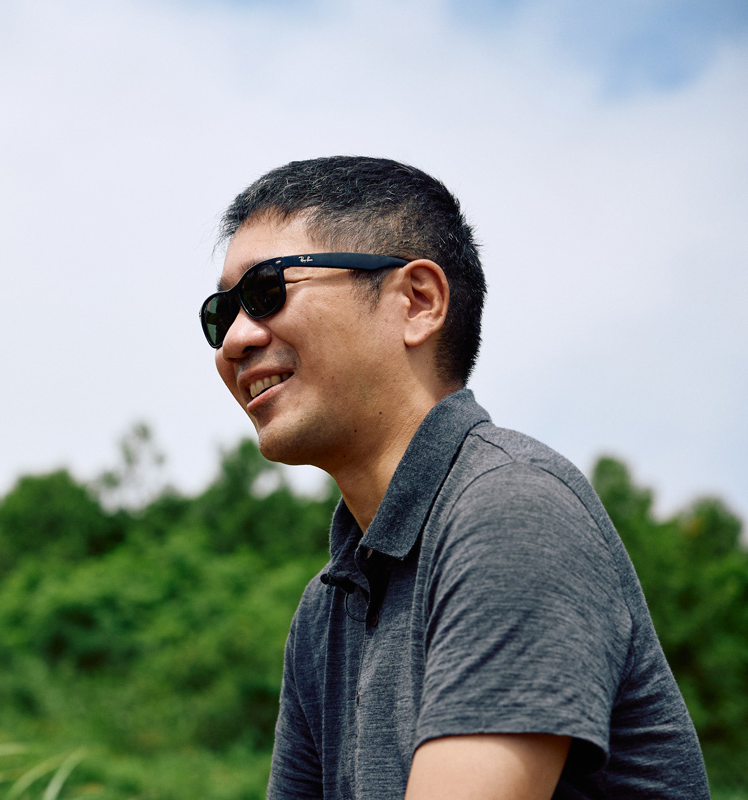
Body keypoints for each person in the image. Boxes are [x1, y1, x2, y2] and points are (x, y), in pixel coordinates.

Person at [201, 156, 709, 799]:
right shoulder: (324, 611)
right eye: (221, 313)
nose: (235, 340)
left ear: (418, 302)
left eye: (267, 291)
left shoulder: (512, 513)